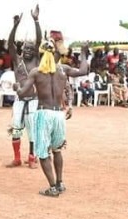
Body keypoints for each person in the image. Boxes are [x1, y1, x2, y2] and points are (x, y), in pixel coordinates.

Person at [17, 38, 89, 197]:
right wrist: (83, 53)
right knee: (57, 150)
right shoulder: (63, 70)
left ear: (41, 54)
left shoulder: (36, 72)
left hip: (43, 113)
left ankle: (52, 187)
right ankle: (60, 182)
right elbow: (83, 71)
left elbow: (22, 93)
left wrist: (16, 87)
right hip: (58, 114)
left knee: (43, 153)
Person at [7, 6, 42, 168]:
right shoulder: (17, 60)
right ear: (22, 49)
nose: (28, 51)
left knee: (32, 129)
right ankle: (17, 157)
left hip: (34, 100)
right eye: (25, 48)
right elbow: (10, 44)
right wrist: (15, 26)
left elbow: (40, 41)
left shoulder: (36, 61)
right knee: (16, 127)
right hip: (20, 99)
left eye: (30, 49)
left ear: (34, 51)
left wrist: (36, 20)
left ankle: (32, 157)